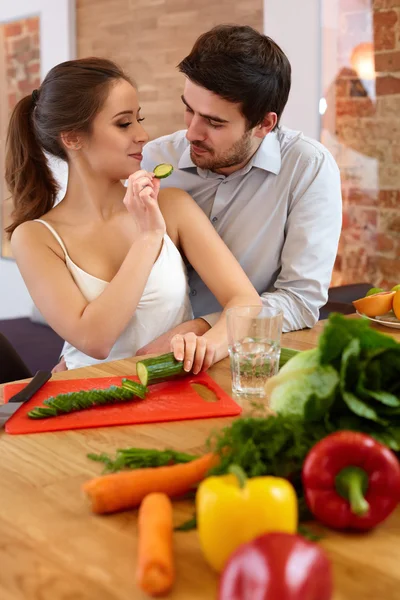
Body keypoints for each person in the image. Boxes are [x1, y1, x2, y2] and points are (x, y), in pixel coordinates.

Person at [5, 57, 260, 372]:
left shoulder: (173, 206)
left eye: (140, 119)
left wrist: (206, 343)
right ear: (72, 138)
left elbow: (246, 302)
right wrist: (149, 236)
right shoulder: (35, 238)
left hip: (176, 394)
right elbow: (95, 341)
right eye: (124, 123)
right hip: (87, 398)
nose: (143, 134)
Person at [140, 24, 343, 354]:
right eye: (189, 109)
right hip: (143, 348)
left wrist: (208, 327)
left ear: (265, 124)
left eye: (214, 122)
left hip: (242, 355)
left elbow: (301, 299)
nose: (192, 132)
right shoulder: (155, 158)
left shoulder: (308, 168)